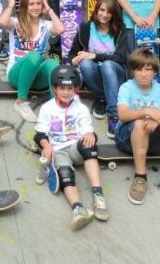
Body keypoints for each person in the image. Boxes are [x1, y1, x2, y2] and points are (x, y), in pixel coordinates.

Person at [33, 65, 108, 230]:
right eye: (62, 88)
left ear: (76, 89)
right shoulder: (47, 108)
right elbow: (39, 134)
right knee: (65, 175)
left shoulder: (80, 108)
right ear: (55, 89)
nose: (66, 92)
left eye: (69, 88)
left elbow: (87, 129)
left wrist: (90, 134)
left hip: (75, 148)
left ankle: (98, 196)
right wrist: (46, 145)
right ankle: (78, 209)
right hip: (58, 150)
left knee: (90, 143)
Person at [116, 49, 160, 204]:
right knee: (140, 122)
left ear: (155, 71)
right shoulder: (126, 88)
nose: (143, 74)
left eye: (148, 69)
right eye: (139, 69)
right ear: (133, 71)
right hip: (127, 139)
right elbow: (123, 115)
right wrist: (148, 111)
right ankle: (140, 177)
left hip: (153, 140)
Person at [0, 0, 64, 122]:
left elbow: (60, 29)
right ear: (24, 6)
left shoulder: (45, 25)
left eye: (38, 3)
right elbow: (2, 22)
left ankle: (56, 108)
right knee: (34, 56)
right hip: (17, 75)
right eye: (31, 4)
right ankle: (21, 102)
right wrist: (10, 5)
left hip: (37, 79)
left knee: (53, 63)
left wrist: (48, 6)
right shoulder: (16, 23)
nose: (35, 7)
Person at [69, 0, 129, 137]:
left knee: (107, 65)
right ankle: (103, 98)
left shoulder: (121, 29)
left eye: (109, 12)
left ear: (114, 14)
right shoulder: (85, 28)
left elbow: (121, 58)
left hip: (116, 73)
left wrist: (95, 55)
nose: (104, 15)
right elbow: (72, 53)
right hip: (96, 76)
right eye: (102, 10)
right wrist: (74, 60)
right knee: (85, 64)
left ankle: (114, 116)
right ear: (96, 10)